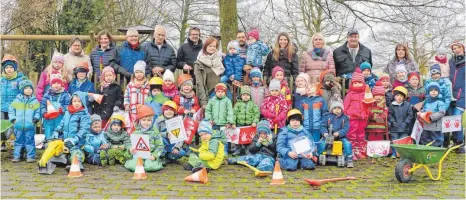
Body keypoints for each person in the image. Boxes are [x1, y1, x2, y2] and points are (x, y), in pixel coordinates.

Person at [51, 91, 91, 171]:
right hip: (66, 140)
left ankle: (77, 163)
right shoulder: (68, 112)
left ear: (83, 102)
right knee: (58, 149)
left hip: (78, 141)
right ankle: (62, 160)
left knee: (76, 151)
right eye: (74, 101)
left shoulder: (84, 115)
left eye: (79, 101)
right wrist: (56, 131)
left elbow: (84, 129)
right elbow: (62, 123)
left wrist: (75, 139)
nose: (77, 103)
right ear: (71, 101)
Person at [125, 105, 164, 172]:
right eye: (144, 120)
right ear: (139, 121)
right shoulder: (135, 132)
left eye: (149, 120)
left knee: (150, 167)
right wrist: (130, 149)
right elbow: (129, 143)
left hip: (150, 155)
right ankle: (136, 163)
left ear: (152, 121)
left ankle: (156, 162)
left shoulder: (155, 132)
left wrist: (154, 156)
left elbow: (160, 146)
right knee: (133, 166)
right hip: (138, 155)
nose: (146, 122)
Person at [8, 80, 40, 162]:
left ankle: (30, 157)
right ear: (22, 90)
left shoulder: (34, 101)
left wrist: (35, 118)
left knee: (30, 142)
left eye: (30, 88)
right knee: (18, 141)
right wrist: (13, 119)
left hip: (30, 126)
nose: (29, 90)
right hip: (18, 126)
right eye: (26, 88)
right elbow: (11, 110)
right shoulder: (17, 100)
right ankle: (17, 156)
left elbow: (37, 111)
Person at [343, 72, 371, 159]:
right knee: (352, 134)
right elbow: (345, 106)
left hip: (363, 117)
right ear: (352, 84)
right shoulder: (350, 94)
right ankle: (352, 151)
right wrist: (346, 115)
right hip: (352, 118)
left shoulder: (366, 93)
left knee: (361, 134)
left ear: (363, 83)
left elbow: (369, 104)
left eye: (359, 82)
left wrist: (367, 113)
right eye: (355, 83)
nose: (357, 84)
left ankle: (359, 150)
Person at [320, 99, 353, 168]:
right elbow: (322, 126)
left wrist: (339, 133)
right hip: (328, 136)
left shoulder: (345, 118)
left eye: (339, 108)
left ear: (341, 109)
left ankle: (349, 159)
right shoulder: (327, 116)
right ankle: (318, 156)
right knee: (322, 144)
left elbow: (346, 128)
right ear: (331, 109)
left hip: (340, 137)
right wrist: (325, 133)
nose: (337, 110)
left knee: (347, 144)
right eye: (335, 108)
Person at [194, 37, 225, 106]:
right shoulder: (199, 63)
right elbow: (200, 84)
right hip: (208, 95)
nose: (212, 48)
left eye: (214, 46)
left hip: (221, 93)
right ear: (205, 47)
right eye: (210, 46)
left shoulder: (220, 59)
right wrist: (203, 102)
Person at [41, 74, 71, 141]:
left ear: (61, 84)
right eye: (54, 83)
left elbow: (68, 105)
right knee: (48, 129)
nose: (56, 85)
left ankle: (59, 142)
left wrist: (63, 110)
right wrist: (44, 113)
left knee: (60, 130)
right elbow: (42, 106)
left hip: (60, 118)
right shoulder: (46, 95)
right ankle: (48, 141)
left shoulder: (65, 95)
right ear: (51, 85)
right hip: (48, 118)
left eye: (58, 83)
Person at [232, 86, 260, 156]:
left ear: (250, 96)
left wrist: (254, 121)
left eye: (247, 95)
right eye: (244, 95)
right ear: (241, 96)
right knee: (238, 138)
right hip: (239, 124)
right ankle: (238, 149)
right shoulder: (238, 104)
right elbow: (234, 114)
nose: (245, 96)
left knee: (248, 138)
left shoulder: (253, 104)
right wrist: (233, 123)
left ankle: (248, 150)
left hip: (249, 125)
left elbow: (257, 113)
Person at [448, 41, 465, 153]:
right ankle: (454, 141)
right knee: (450, 119)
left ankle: (460, 143)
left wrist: (461, 94)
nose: (456, 49)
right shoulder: (451, 62)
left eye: (458, 47)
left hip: (462, 95)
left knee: (456, 117)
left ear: (463, 48)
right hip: (450, 95)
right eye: (454, 48)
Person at [388, 86, 413, 158]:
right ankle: (394, 153)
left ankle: (402, 154)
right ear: (394, 96)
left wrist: (406, 122)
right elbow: (390, 115)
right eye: (397, 95)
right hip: (394, 128)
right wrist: (393, 122)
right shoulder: (392, 105)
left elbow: (410, 114)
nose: (399, 97)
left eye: (401, 96)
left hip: (404, 128)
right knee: (394, 140)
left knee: (402, 141)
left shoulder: (408, 105)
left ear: (404, 97)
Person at [418, 82, 446, 147]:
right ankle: (427, 149)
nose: (433, 92)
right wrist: (421, 112)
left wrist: (431, 117)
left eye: (435, 90)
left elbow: (441, 112)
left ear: (438, 92)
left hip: (435, 126)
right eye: (431, 90)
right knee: (425, 137)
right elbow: (425, 109)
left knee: (436, 139)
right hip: (426, 124)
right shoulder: (427, 102)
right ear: (428, 92)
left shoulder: (440, 102)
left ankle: (437, 149)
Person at [1, 54, 27, 120]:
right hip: (2, 108)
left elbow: (24, 93)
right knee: (2, 127)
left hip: (14, 108)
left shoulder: (19, 80)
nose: (9, 69)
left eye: (11, 67)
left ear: (15, 68)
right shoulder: (1, 80)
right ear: (4, 69)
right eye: (7, 68)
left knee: (11, 128)